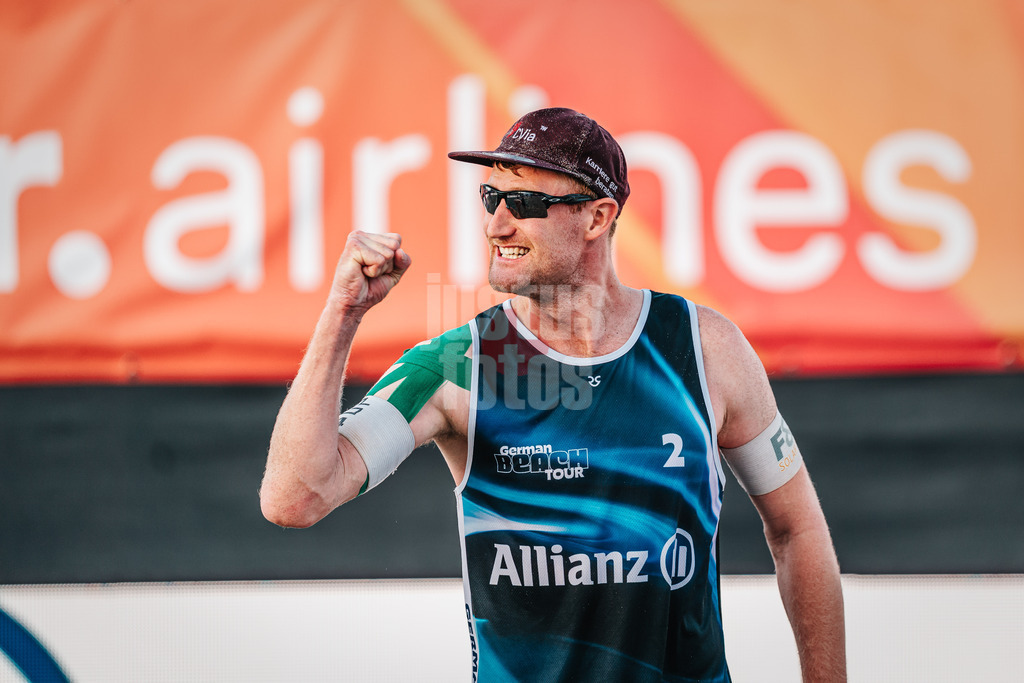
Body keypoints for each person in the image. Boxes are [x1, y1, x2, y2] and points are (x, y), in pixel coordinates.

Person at [260, 107, 846, 682]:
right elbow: (294, 499)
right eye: (492, 198)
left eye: (527, 204)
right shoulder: (453, 366)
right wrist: (342, 314)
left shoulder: (705, 346)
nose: (497, 225)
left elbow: (798, 528)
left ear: (598, 217)